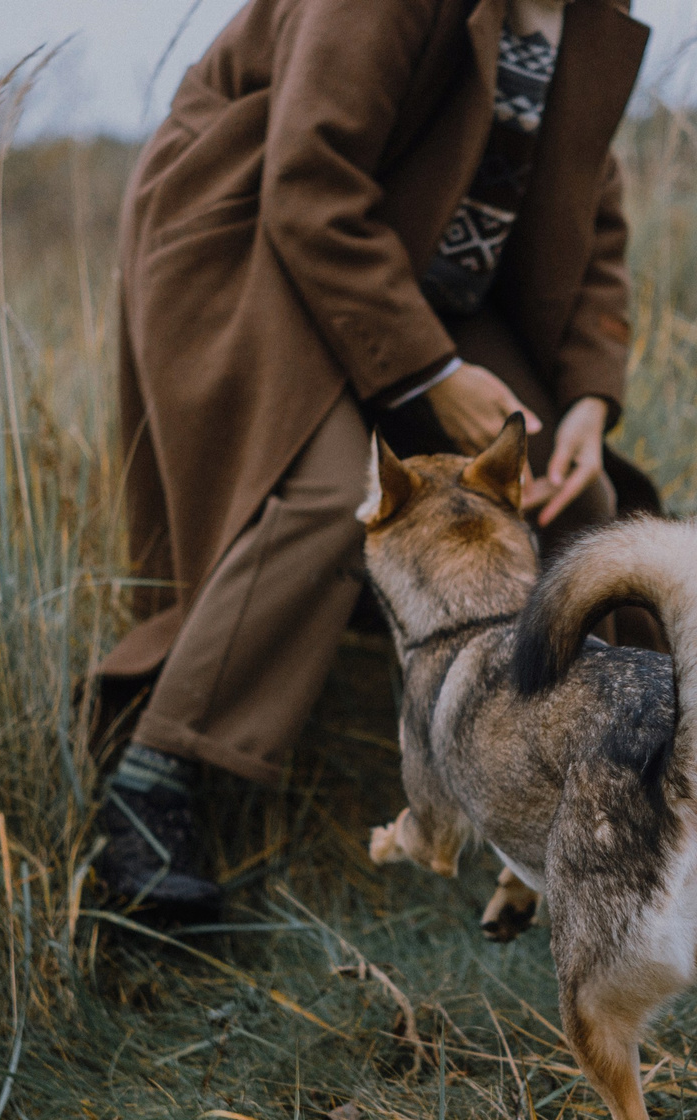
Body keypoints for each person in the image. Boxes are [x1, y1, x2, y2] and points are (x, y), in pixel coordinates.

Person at [93, 0, 659, 911]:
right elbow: (309, 185)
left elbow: (590, 207)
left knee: (569, 495)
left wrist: (591, 394)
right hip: (248, 227)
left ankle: (600, 799)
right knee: (324, 497)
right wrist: (433, 371)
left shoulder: (596, 13)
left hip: (413, 263)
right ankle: (153, 790)